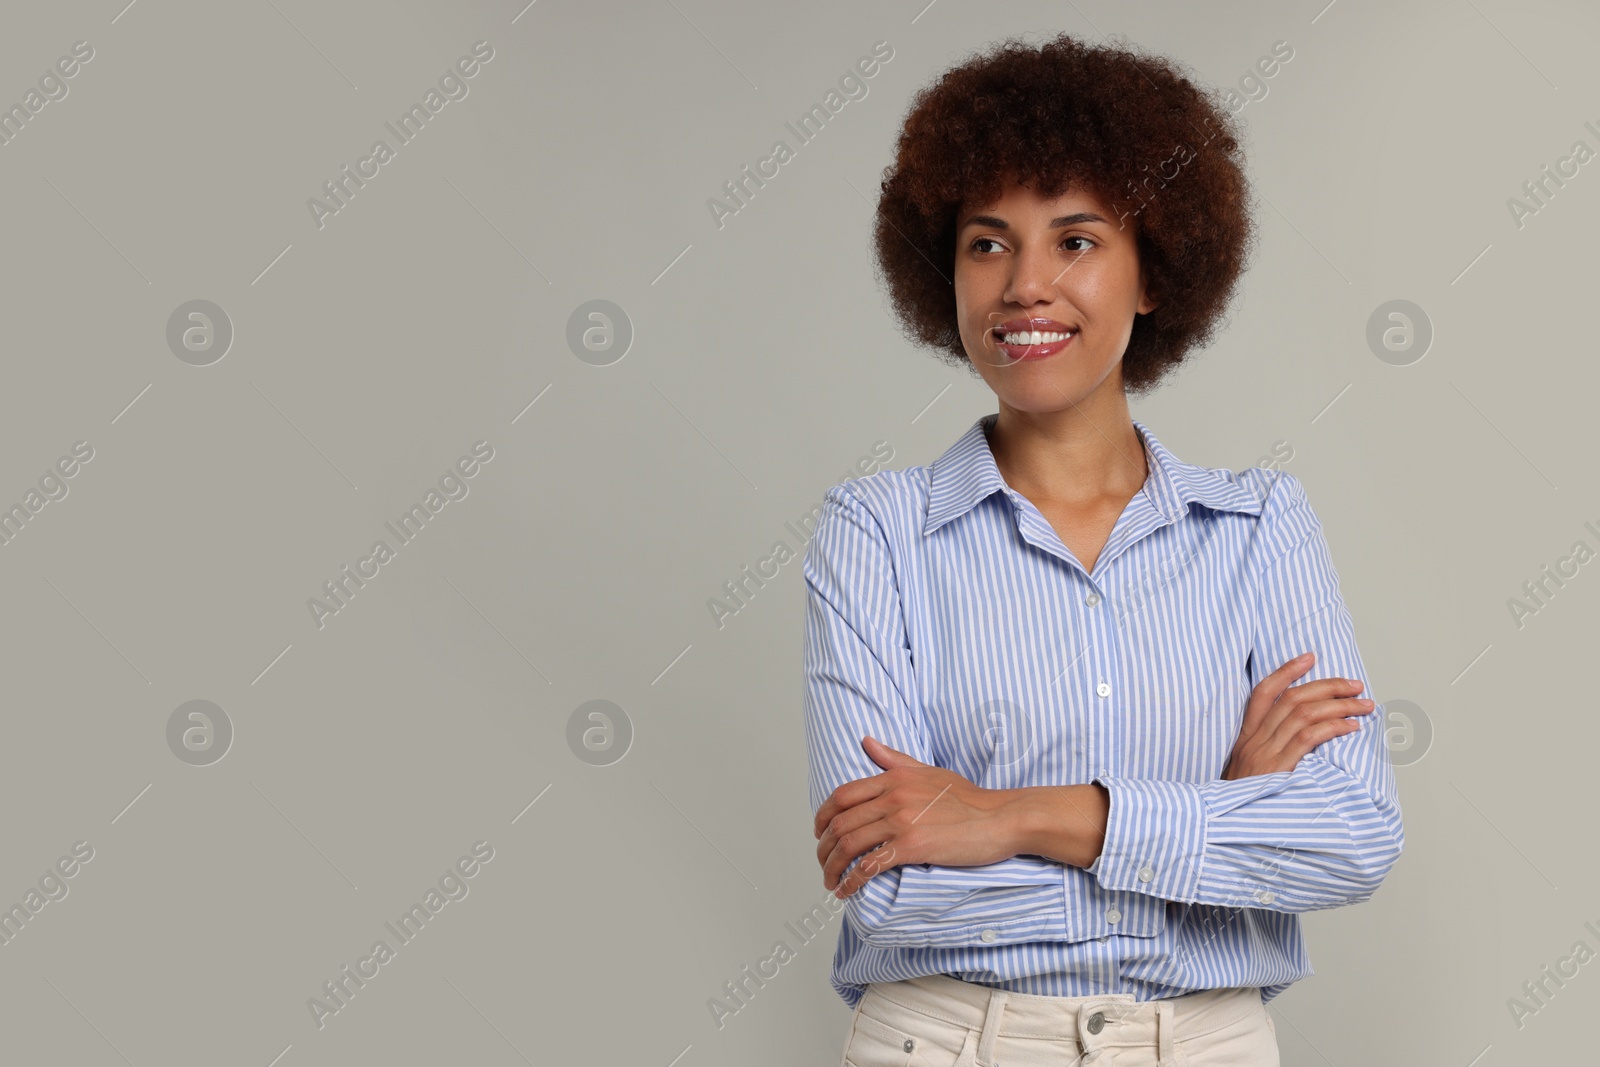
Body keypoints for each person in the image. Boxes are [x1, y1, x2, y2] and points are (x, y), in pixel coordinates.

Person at [801, 31, 1403, 1067]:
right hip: (950, 1043)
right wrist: (1217, 818)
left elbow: (1350, 833)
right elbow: (894, 888)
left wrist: (1006, 816)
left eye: (1074, 240)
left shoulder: (1260, 528)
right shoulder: (874, 532)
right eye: (987, 243)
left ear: (1152, 271)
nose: (1024, 284)